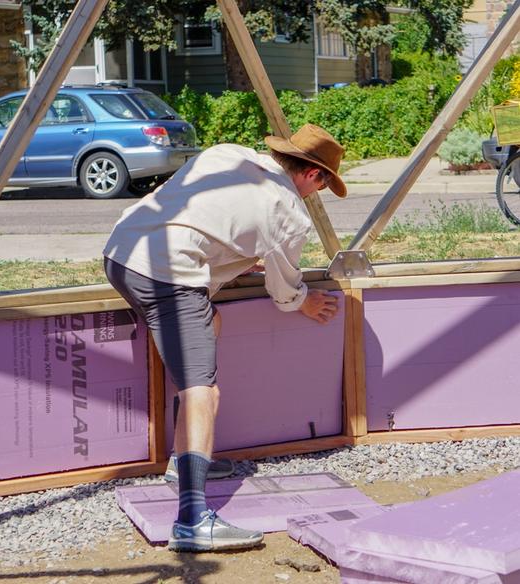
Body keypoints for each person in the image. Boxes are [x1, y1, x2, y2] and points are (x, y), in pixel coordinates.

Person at [103, 123, 346, 552]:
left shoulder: (226, 154)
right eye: (323, 183)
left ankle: (184, 463)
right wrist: (305, 303)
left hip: (121, 253)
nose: (317, 193)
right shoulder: (288, 210)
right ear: (312, 174)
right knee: (203, 392)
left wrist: (238, 254)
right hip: (167, 274)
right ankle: (193, 519)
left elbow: (201, 216)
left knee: (209, 322)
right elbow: (284, 288)